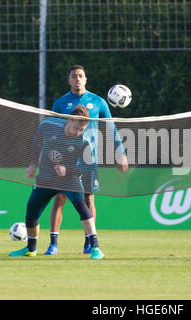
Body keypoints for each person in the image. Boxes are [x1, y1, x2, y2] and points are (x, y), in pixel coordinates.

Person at [45, 65, 128, 256]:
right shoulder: (60, 103)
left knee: (89, 198)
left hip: (88, 160)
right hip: (64, 159)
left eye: (81, 76)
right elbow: (52, 130)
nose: (78, 79)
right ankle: (53, 243)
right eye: (74, 76)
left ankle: (89, 241)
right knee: (60, 197)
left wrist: (121, 153)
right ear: (69, 81)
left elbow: (111, 129)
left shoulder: (98, 102)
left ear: (86, 79)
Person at [9, 105, 104, 259]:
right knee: (31, 211)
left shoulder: (84, 141)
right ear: (69, 120)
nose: (79, 132)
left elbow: (89, 167)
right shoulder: (47, 125)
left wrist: (68, 170)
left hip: (70, 181)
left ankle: (96, 248)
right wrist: (33, 164)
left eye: (82, 129)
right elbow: (36, 144)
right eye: (77, 128)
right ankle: (30, 249)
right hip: (45, 179)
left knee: (82, 207)